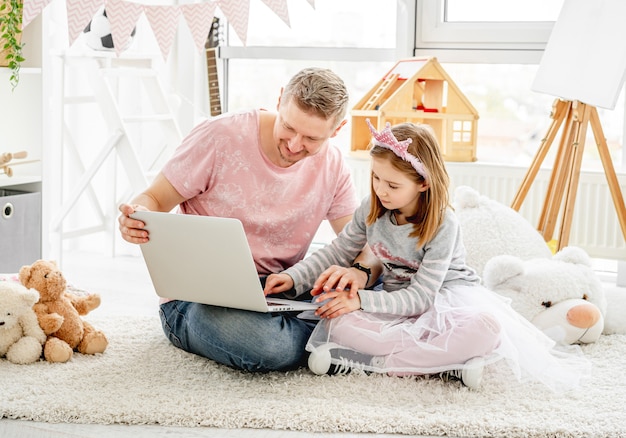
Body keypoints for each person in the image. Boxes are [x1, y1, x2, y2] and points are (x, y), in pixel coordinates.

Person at [264, 120, 590, 391]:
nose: (381, 189)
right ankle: (443, 366)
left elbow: (422, 297)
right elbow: (338, 251)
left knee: (487, 328)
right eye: (376, 178)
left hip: (442, 302)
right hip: (396, 302)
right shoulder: (373, 207)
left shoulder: (444, 225)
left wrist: (362, 300)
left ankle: (379, 364)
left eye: (392, 184)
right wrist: (293, 276)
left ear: (423, 183)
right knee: (334, 315)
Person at [118, 67, 381, 373]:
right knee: (265, 344)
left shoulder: (333, 166)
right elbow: (153, 200)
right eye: (289, 127)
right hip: (199, 299)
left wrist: (362, 274)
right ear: (280, 99)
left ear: (337, 130)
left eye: (311, 138)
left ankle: (324, 336)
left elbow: (364, 245)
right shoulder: (219, 135)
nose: (295, 145)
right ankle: (334, 341)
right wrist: (135, 217)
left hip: (280, 291)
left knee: (382, 289)